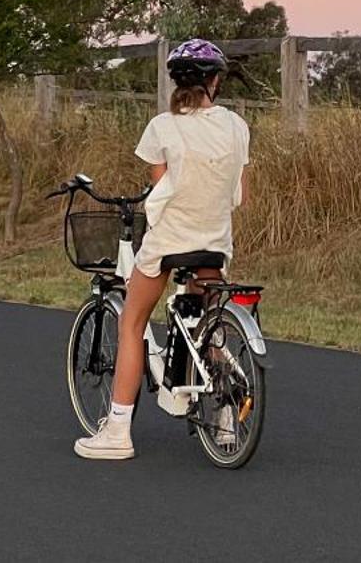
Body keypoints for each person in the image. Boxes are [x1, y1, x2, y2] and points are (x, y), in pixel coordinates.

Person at [75, 38, 251, 460]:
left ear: (176, 83)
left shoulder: (161, 127)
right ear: (215, 82)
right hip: (214, 240)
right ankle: (227, 420)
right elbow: (238, 191)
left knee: (133, 322)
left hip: (170, 241)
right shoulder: (235, 126)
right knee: (208, 320)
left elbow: (160, 187)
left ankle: (117, 431)